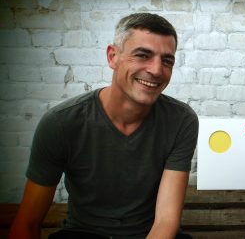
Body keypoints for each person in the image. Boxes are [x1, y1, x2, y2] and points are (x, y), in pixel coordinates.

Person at [9, 13, 198, 239]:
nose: (156, 70)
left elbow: (165, 222)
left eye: (167, 60)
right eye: (142, 55)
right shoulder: (61, 123)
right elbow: (27, 224)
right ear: (113, 56)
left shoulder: (181, 120)